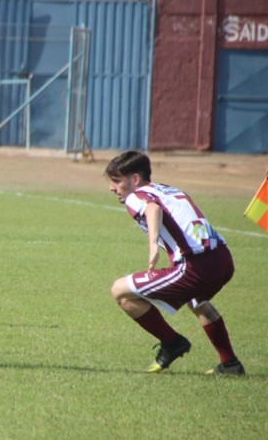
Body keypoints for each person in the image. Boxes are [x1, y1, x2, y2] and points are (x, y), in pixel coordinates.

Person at [105, 151, 245, 375]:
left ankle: (172, 343)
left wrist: (152, 245)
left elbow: (153, 209)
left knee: (120, 291)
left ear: (135, 179)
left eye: (116, 181)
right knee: (197, 301)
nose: (112, 188)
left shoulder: (136, 195)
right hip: (223, 259)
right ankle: (230, 364)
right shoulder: (169, 189)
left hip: (194, 267)